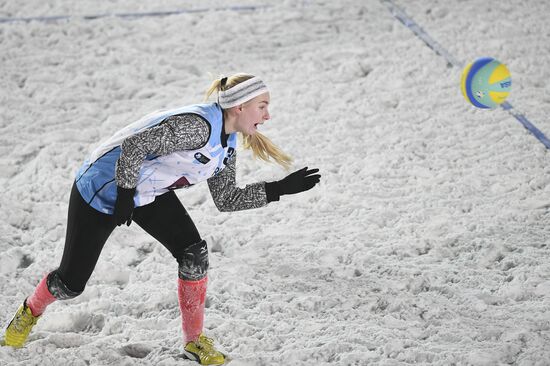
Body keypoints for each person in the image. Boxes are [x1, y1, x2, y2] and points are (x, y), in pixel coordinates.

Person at [2, 73, 321, 365]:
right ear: (238, 107)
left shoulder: (228, 143)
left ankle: (194, 341)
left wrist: (279, 189)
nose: (268, 115)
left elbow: (227, 200)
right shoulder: (198, 127)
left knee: (194, 253)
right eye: (262, 106)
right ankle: (30, 310)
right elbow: (134, 145)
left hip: (144, 189)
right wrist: (125, 195)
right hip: (101, 186)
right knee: (70, 284)